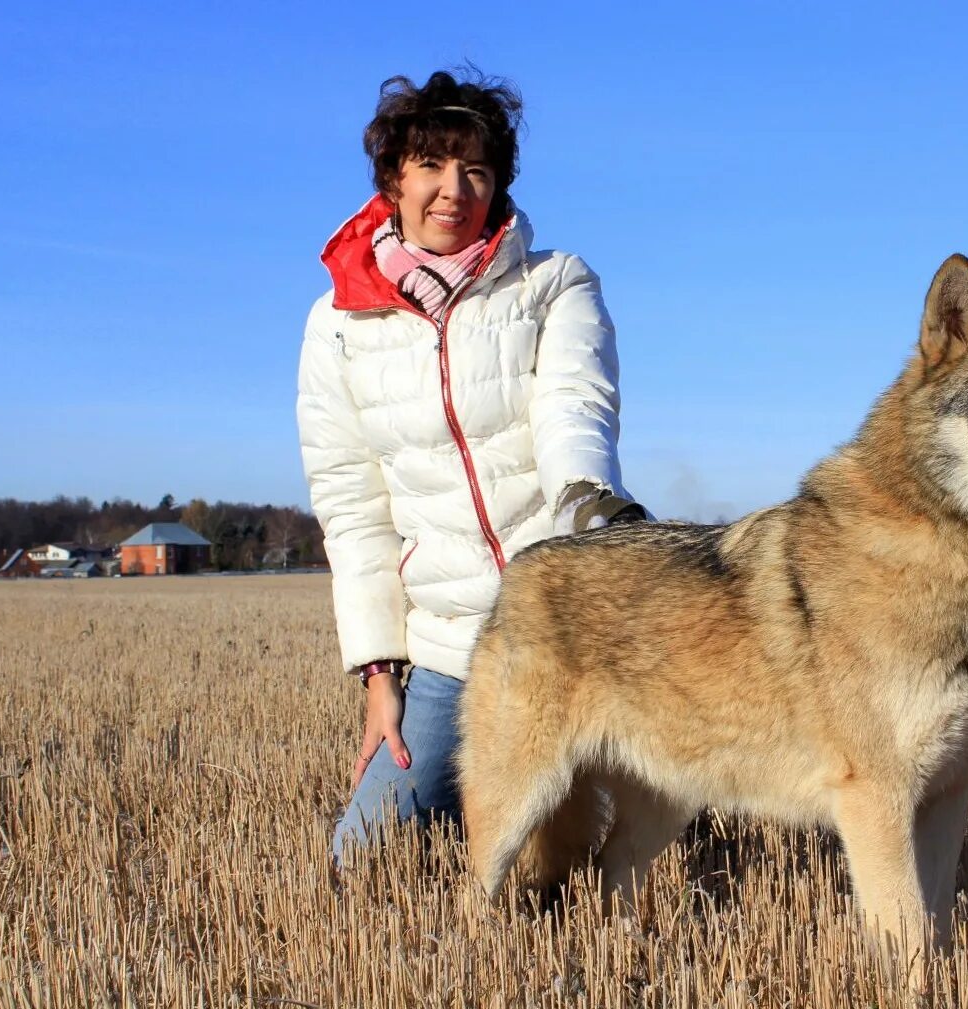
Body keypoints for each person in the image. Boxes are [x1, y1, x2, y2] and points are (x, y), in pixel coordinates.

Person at [297, 68, 643, 865]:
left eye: (477, 170)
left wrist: (589, 503)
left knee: (623, 843)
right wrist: (380, 672)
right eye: (431, 165)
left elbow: (574, 407)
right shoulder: (336, 327)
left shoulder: (556, 283)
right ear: (393, 178)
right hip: (453, 648)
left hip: (575, 617)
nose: (454, 188)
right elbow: (352, 506)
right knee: (364, 860)